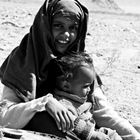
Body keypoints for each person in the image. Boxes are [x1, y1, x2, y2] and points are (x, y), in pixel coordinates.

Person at [0, 0, 139, 139]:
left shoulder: (79, 63)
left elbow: (103, 113)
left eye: (73, 28)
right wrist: (44, 103)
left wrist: (134, 137)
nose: (66, 34)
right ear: (45, 26)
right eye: (58, 26)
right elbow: (4, 116)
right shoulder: (24, 59)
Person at [44, 52, 123, 140]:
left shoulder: (77, 97)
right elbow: (74, 122)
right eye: (86, 86)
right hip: (86, 134)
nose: (89, 90)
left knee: (112, 134)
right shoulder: (64, 104)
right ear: (66, 86)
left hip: (94, 129)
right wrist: (92, 134)